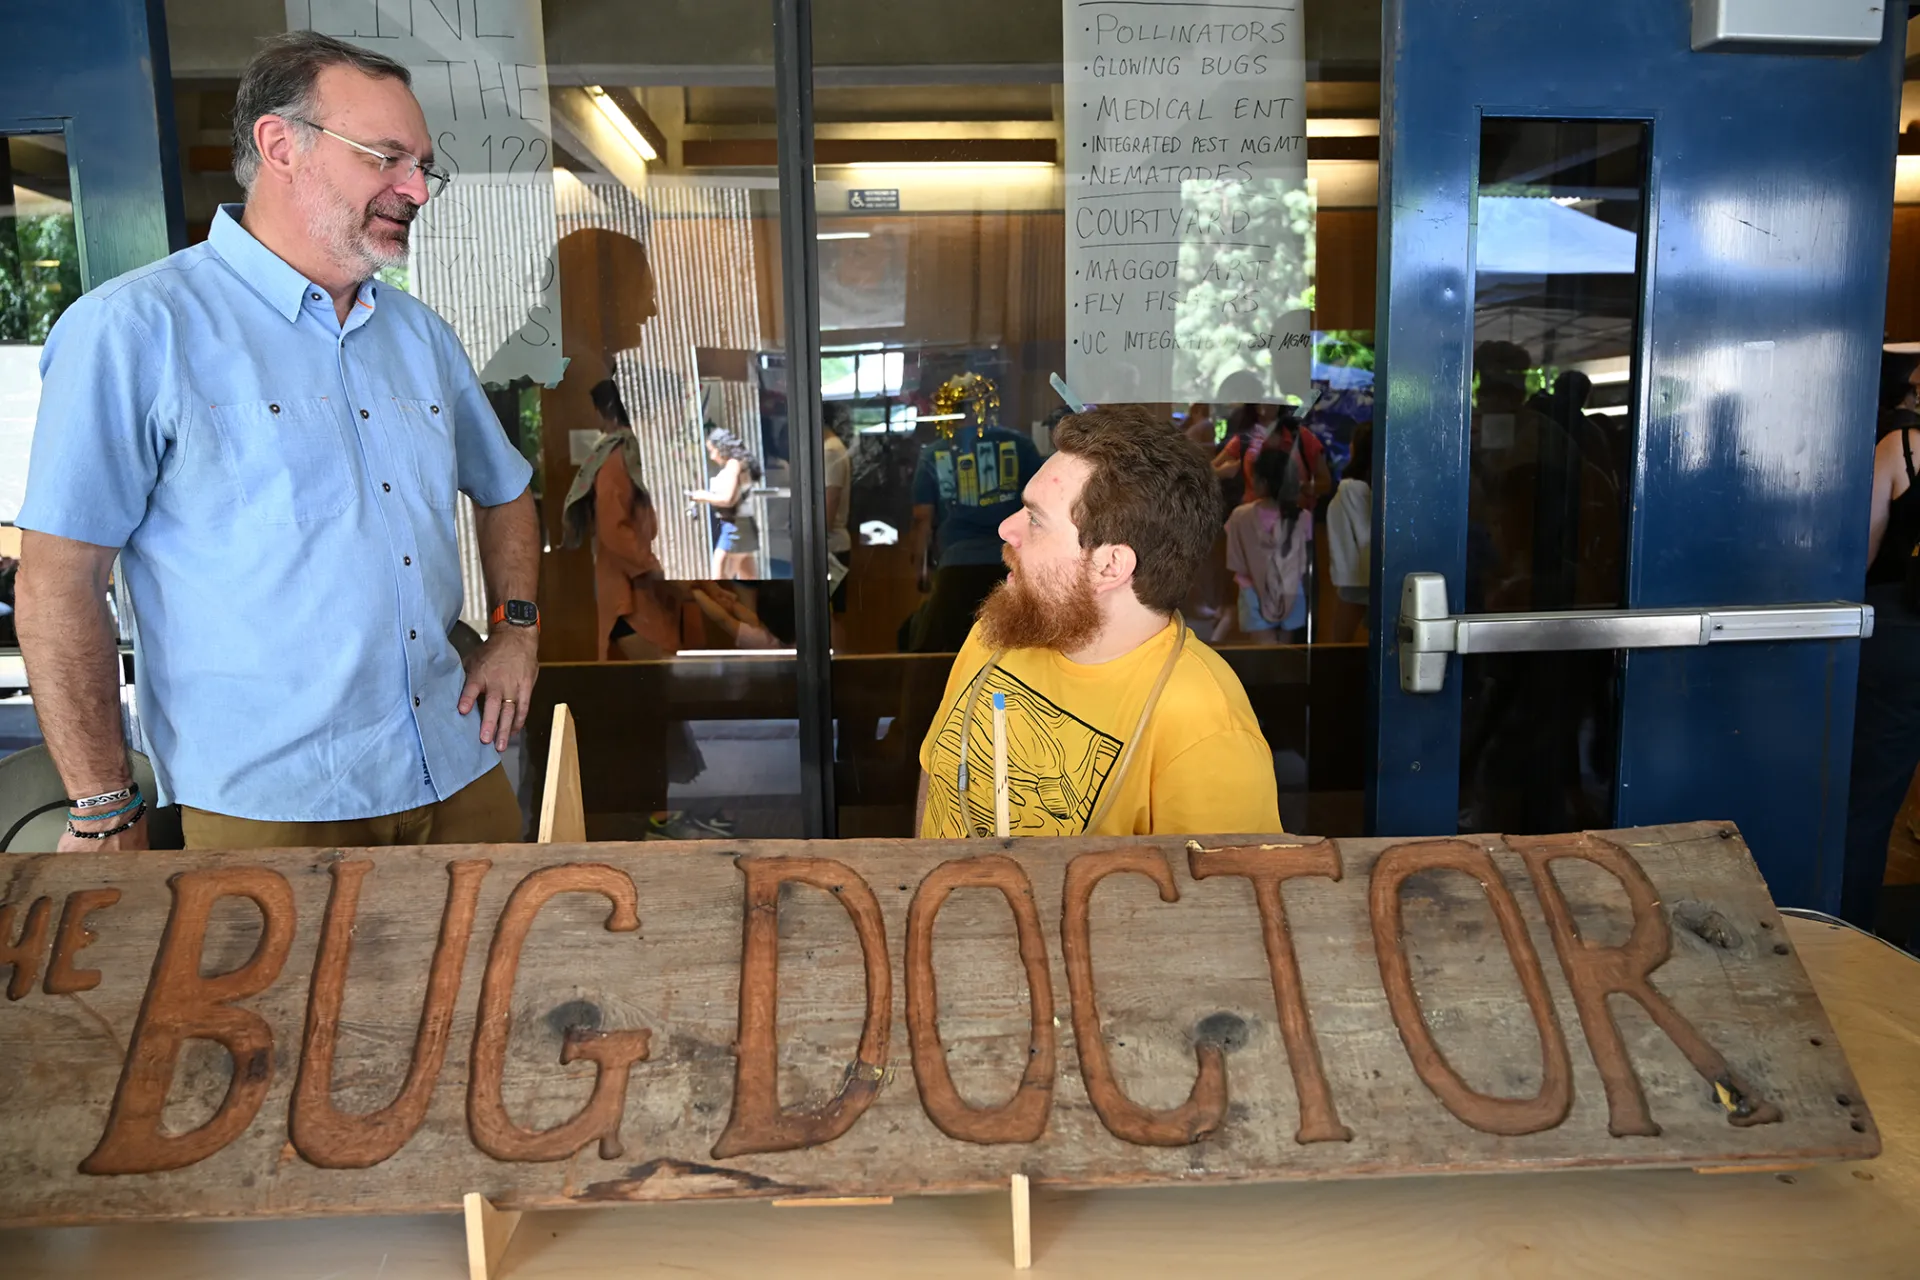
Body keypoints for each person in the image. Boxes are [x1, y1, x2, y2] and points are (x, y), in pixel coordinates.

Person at [13, 31, 537, 851]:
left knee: (508, 983)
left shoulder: (419, 335)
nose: (416, 190)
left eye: (421, 166)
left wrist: (517, 630)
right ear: (280, 144)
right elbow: (57, 586)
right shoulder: (132, 331)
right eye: (386, 158)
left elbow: (505, 489)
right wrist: (102, 802)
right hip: (271, 805)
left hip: (454, 768)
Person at [916, 405, 1282, 839]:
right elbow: (936, 775)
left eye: (1035, 519)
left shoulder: (1206, 730)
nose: (1006, 529)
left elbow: (1220, 903)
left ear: (1111, 565)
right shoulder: (1001, 630)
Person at [1844, 395, 1920, 932]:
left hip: (1903, 633)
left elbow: (1862, 552)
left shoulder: (1902, 449)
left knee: (1869, 803)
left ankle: (1849, 935)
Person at [561, 378, 682, 661]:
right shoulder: (619, 457)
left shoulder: (629, 453)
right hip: (629, 585)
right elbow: (613, 527)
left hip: (637, 579)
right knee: (664, 674)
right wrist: (650, 565)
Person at [903, 408, 1042, 653]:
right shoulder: (1020, 445)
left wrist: (921, 569)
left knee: (942, 655)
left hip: (955, 567)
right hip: (1011, 564)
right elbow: (1040, 508)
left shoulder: (933, 454)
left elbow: (922, 519)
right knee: (1013, 652)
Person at [1224, 439, 1311, 645]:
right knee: (1285, 654)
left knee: (1265, 656)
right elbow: (1303, 561)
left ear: (1261, 481)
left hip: (1252, 591)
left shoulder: (1240, 517)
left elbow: (1235, 561)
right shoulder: (1303, 517)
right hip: (1292, 592)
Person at [686, 427, 762, 581]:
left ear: (722, 448)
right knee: (749, 579)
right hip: (743, 526)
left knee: (720, 578)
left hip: (735, 528)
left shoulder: (733, 464)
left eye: (712, 450)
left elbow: (728, 499)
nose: (712, 456)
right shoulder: (739, 464)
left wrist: (702, 496)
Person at [1327, 422, 1372, 642]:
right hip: (1363, 576)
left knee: (1340, 642)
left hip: (1356, 577)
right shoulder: (1367, 487)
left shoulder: (1352, 489)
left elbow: (1365, 536)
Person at [822, 401, 854, 649]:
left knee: (829, 615)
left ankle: (839, 666)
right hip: (832, 544)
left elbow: (829, 504)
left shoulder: (831, 451)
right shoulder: (832, 448)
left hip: (830, 545)